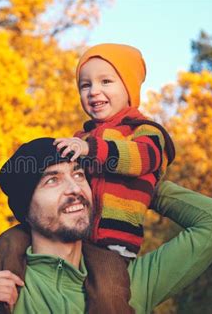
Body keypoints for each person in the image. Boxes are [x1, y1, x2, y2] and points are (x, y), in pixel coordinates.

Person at [0, 137, 212, 314]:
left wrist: (137, 182)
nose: (75, 188)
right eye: (52, 180)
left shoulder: (127, 284)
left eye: (78, 174)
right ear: (25, 208)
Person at [54, 43, 175, 259]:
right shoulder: (81, 137)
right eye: (85, 85)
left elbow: (143, 158)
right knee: (12, 242)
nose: (93, 91)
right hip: (71, 235)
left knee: (108, 290)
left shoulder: (143, 130)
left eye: (106, 81)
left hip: (113, 243)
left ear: (128, 88)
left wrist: (90, 149)